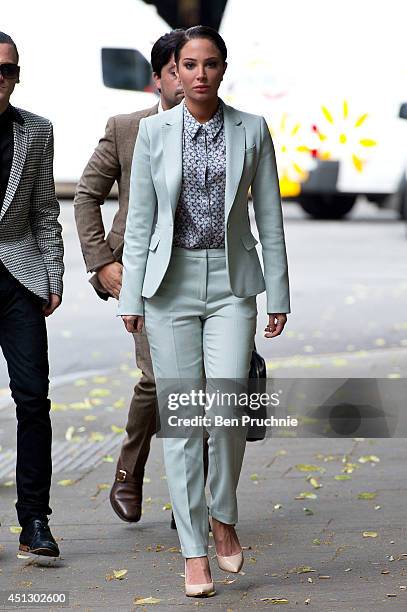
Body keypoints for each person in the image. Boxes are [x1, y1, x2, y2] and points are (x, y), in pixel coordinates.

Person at [119, 26, 290, 597]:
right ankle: (194, 551)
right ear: (175, 72)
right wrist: (131, 296)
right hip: (169, 285)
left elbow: (270, 216)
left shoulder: (252, 129)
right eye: (188, 65)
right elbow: (140, 220)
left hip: (233, 287)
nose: (199, 74)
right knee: (186, 422)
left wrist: (279, 294)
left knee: (228, 416)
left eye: (209, 64)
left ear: (223, 68)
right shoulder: (152, 133)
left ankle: (223, 515)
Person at [74, 31, 185, 524]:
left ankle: (202, 493)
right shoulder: (125, 128)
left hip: (203, 271)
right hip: (141, 273)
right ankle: (129, 471)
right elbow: (86, 195)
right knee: (158, 378)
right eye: (178, 71)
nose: (190, 80)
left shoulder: (227, 128)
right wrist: (102, 261)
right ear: (158, 79)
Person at [0, 32, 64, 556]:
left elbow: (46, 211)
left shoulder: (36, 132)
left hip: (18, 281)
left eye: (7, 70)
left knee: (33, 401)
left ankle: (35, 523)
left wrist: (53, 275)